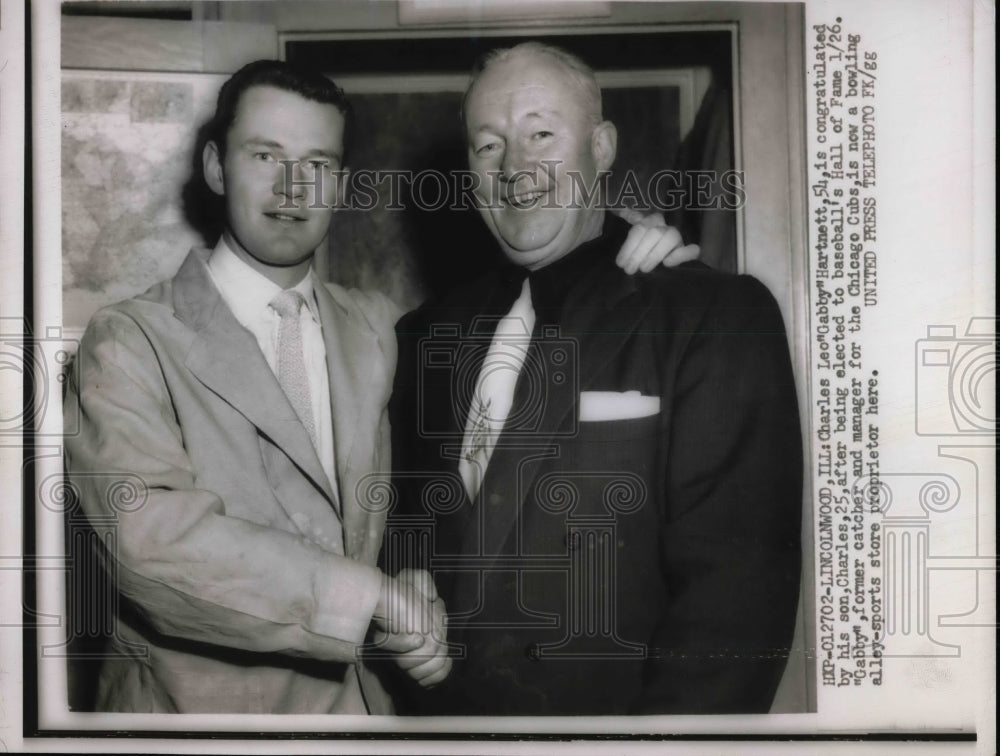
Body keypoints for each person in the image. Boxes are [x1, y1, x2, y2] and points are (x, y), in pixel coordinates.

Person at [63, 59, 696, 714]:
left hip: (375, 724)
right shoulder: (128, 342)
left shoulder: (386, 329)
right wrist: (374, 600)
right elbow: (151, 547)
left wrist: (629, 243)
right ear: (218, 167)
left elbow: (427, 505)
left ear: (341, 183)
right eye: (265, 155)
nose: (293, 187)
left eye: (318, 163)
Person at [387, 42, 803, 715]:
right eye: (488, 146)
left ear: (602, 148)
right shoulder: (423, 334)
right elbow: (403, 522)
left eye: (541, 135)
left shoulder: (714, 316)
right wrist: (402, 588)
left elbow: (735, 607)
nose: (516, 169)